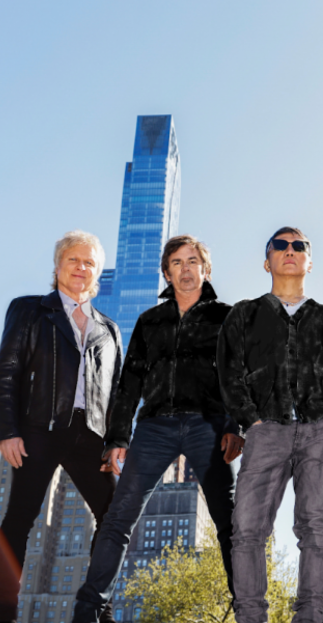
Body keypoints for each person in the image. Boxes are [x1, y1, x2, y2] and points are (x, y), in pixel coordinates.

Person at [71, 235, 242, 622]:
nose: (186, 268)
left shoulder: (228, 317)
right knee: (118, 518)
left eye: (193, 261)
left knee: (230, 520)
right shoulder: (150, 321)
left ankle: (247, 603)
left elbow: (237, 376)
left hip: (209, 425)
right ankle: (89, 608)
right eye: (177, 262)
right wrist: (117, 438)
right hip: (154, 428)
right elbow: (128, 384)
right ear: (167, 272)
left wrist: (235, 425)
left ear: (205, 268)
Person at [218, 227, 323, 623]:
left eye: (299, 246)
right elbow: (229, 375)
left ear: (308, 262)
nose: (290, 250)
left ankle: (310, 616)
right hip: (267, 431)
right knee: (247, 528)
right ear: (267, 262)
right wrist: (254, 421)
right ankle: (250, 616)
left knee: (315, 527)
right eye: (280, 245)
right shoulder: (244, 314)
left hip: (320, 433)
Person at [0, 230, 122, 623]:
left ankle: (95, 607)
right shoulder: (30, 310)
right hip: (38, 431)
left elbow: (116, 392)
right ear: (58, 266)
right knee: (19, 518)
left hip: (91, 436)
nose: (81, 267)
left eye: (89, 262)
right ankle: (4, 614)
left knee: (115, 516)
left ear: (97, 272)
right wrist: (6, 431)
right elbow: (7, 373)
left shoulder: (108, 329)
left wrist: (117, 440)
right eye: (73, 260)